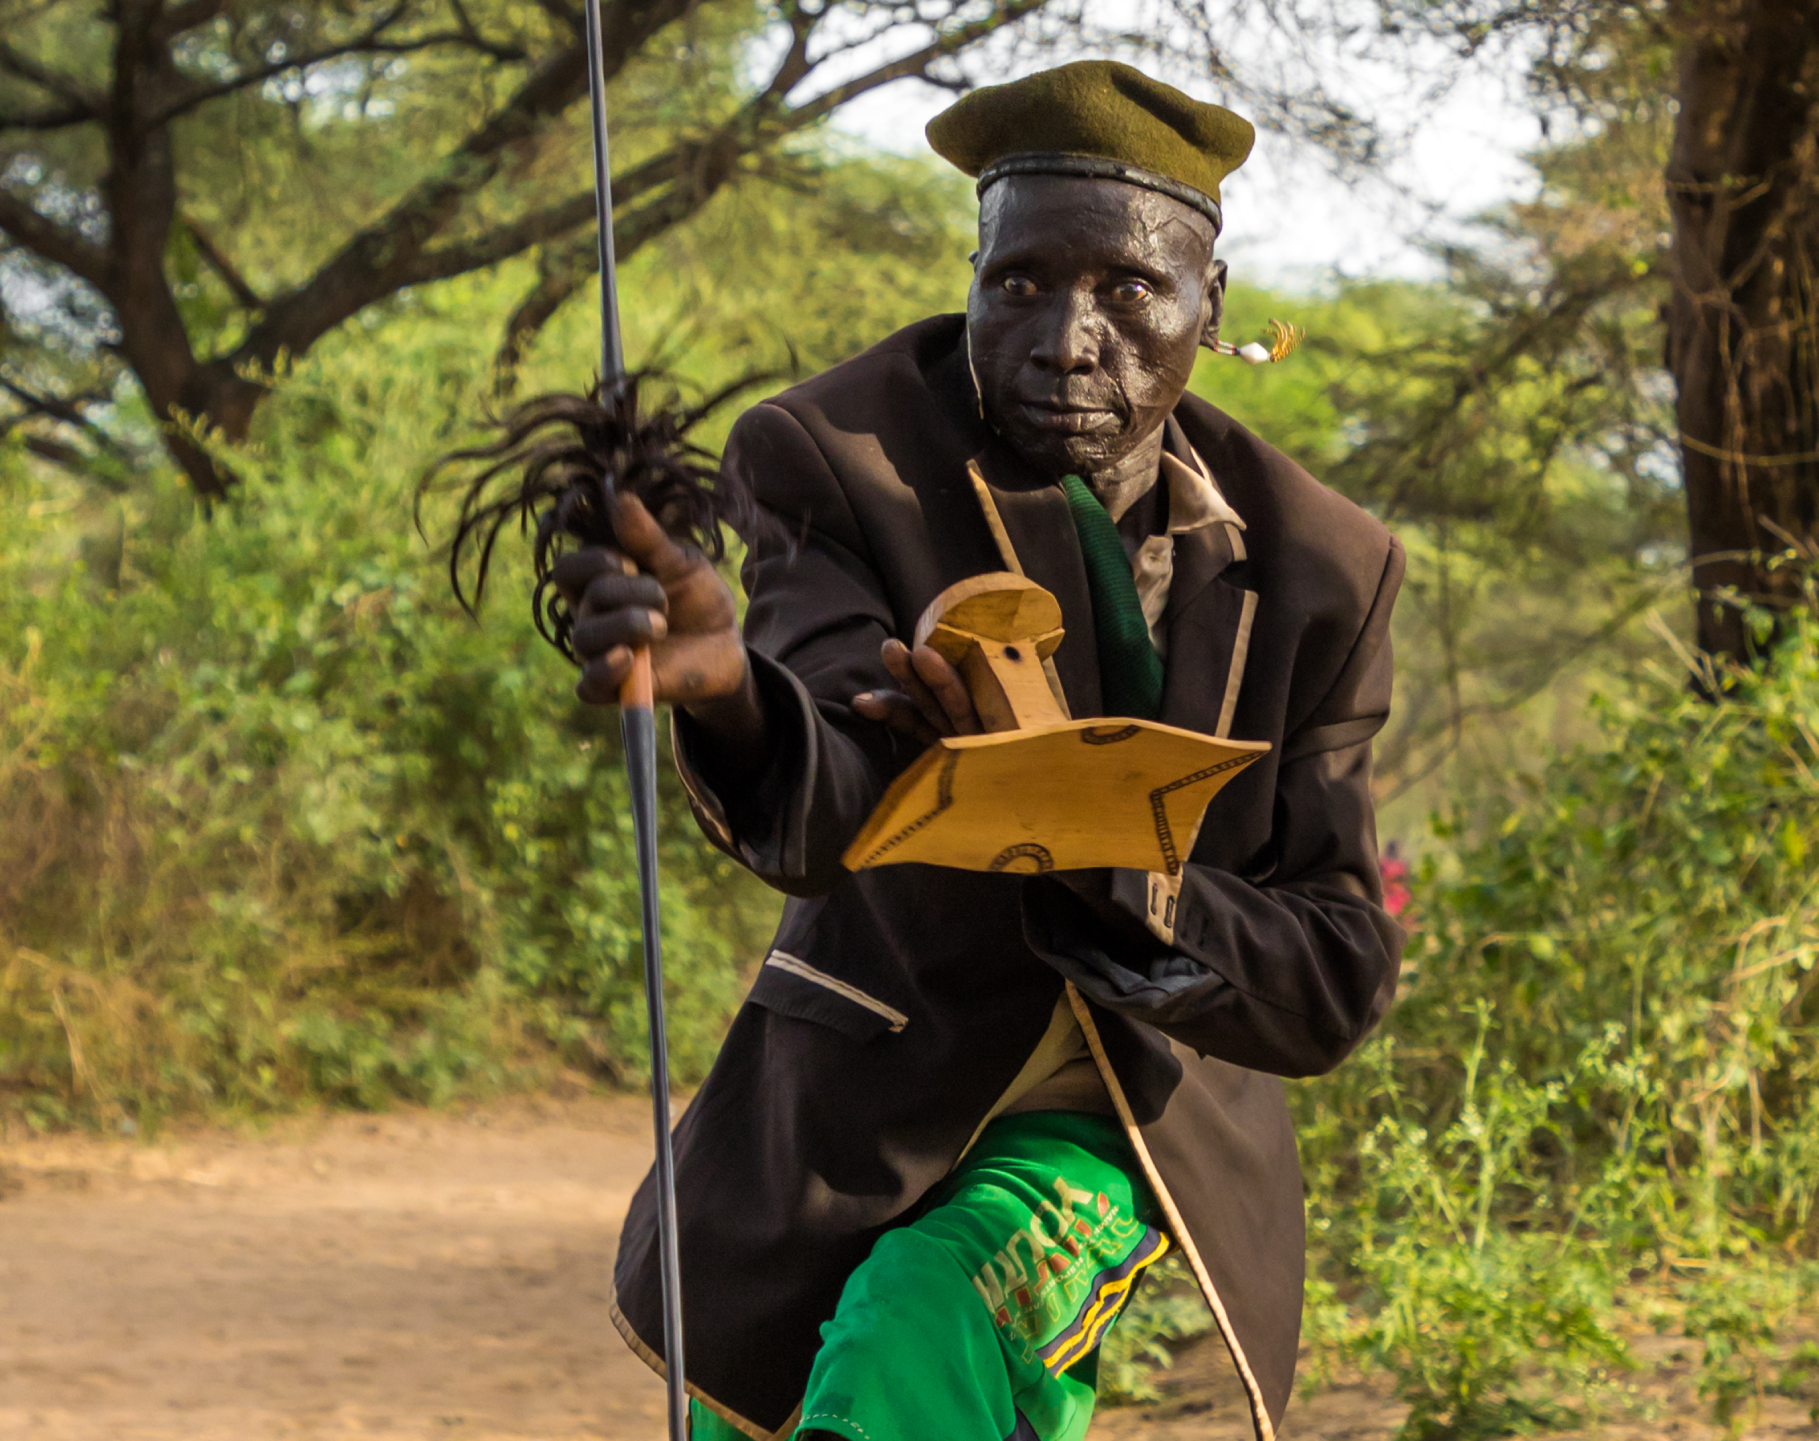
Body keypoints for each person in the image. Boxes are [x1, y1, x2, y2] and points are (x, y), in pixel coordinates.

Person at [556, 60, 1407, 1441]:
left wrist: (1123, 875)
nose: (1068, 337)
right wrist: (731, 696)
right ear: (972, 275)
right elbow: (835, 777)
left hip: (1129, 1100)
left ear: (1212, 305)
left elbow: (1333, 974)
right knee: (761, 1413)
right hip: (872, 1075)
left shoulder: (1323, 568)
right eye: (1019, 283)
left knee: (924, 1314)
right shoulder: (840, 455)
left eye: (1127, 291)